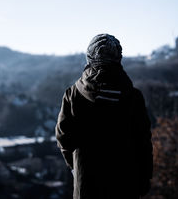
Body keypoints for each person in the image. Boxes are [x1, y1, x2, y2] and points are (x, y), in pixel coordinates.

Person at [55, 34, 153, 199]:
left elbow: (63, 137)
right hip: (126, 182)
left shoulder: (72, 95)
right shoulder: (133, 97)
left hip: (87, 183)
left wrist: (76, 167)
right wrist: (144, 179)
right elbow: (143, 142)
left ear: (89, 57)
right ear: (118, 58)